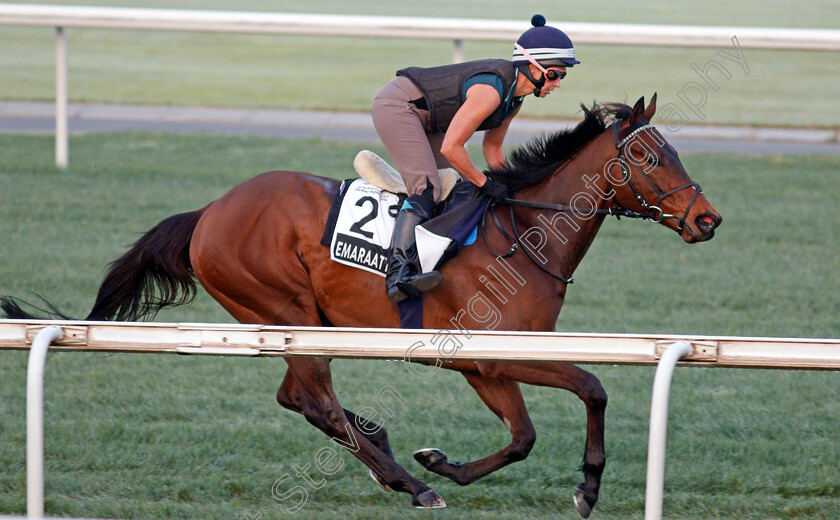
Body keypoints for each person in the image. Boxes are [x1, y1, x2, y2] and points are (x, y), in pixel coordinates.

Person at [372, 14, 580, 303]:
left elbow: (492, 149)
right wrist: (485, 183)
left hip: (428, 119)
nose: (557, 83)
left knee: (454, 188)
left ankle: (427, 260)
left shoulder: (514, 99)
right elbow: (452, 148)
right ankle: (397, 275)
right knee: (428, 188)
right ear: (533, 67)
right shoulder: (491, 92)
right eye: (554, 74)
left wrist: (509, 188)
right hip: (398, 106)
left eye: (562, 76)